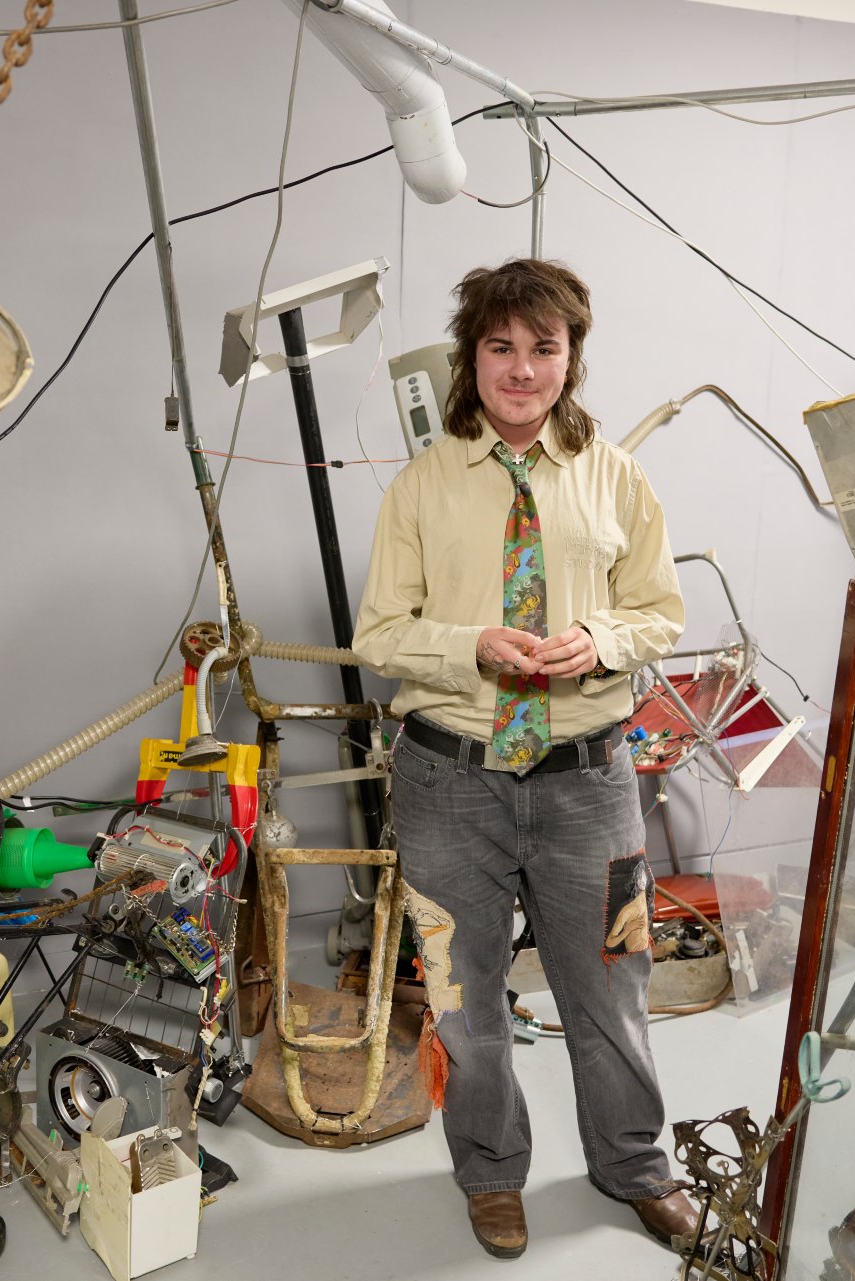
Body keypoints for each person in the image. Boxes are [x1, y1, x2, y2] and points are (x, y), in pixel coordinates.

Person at [352, 258, 696, 1260]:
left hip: (591, 781)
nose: (521, 368)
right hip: (446, 782)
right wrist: (472, 644)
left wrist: (600, 641)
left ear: (571, 357)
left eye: (543, 348)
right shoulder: (423, 484)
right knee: (466, 999)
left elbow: (660, 612)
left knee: (614, 988)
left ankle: (635, 1167)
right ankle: (492, 1172)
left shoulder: (617, 476)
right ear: (474, 357)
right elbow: (381, 633)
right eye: (501, 347)